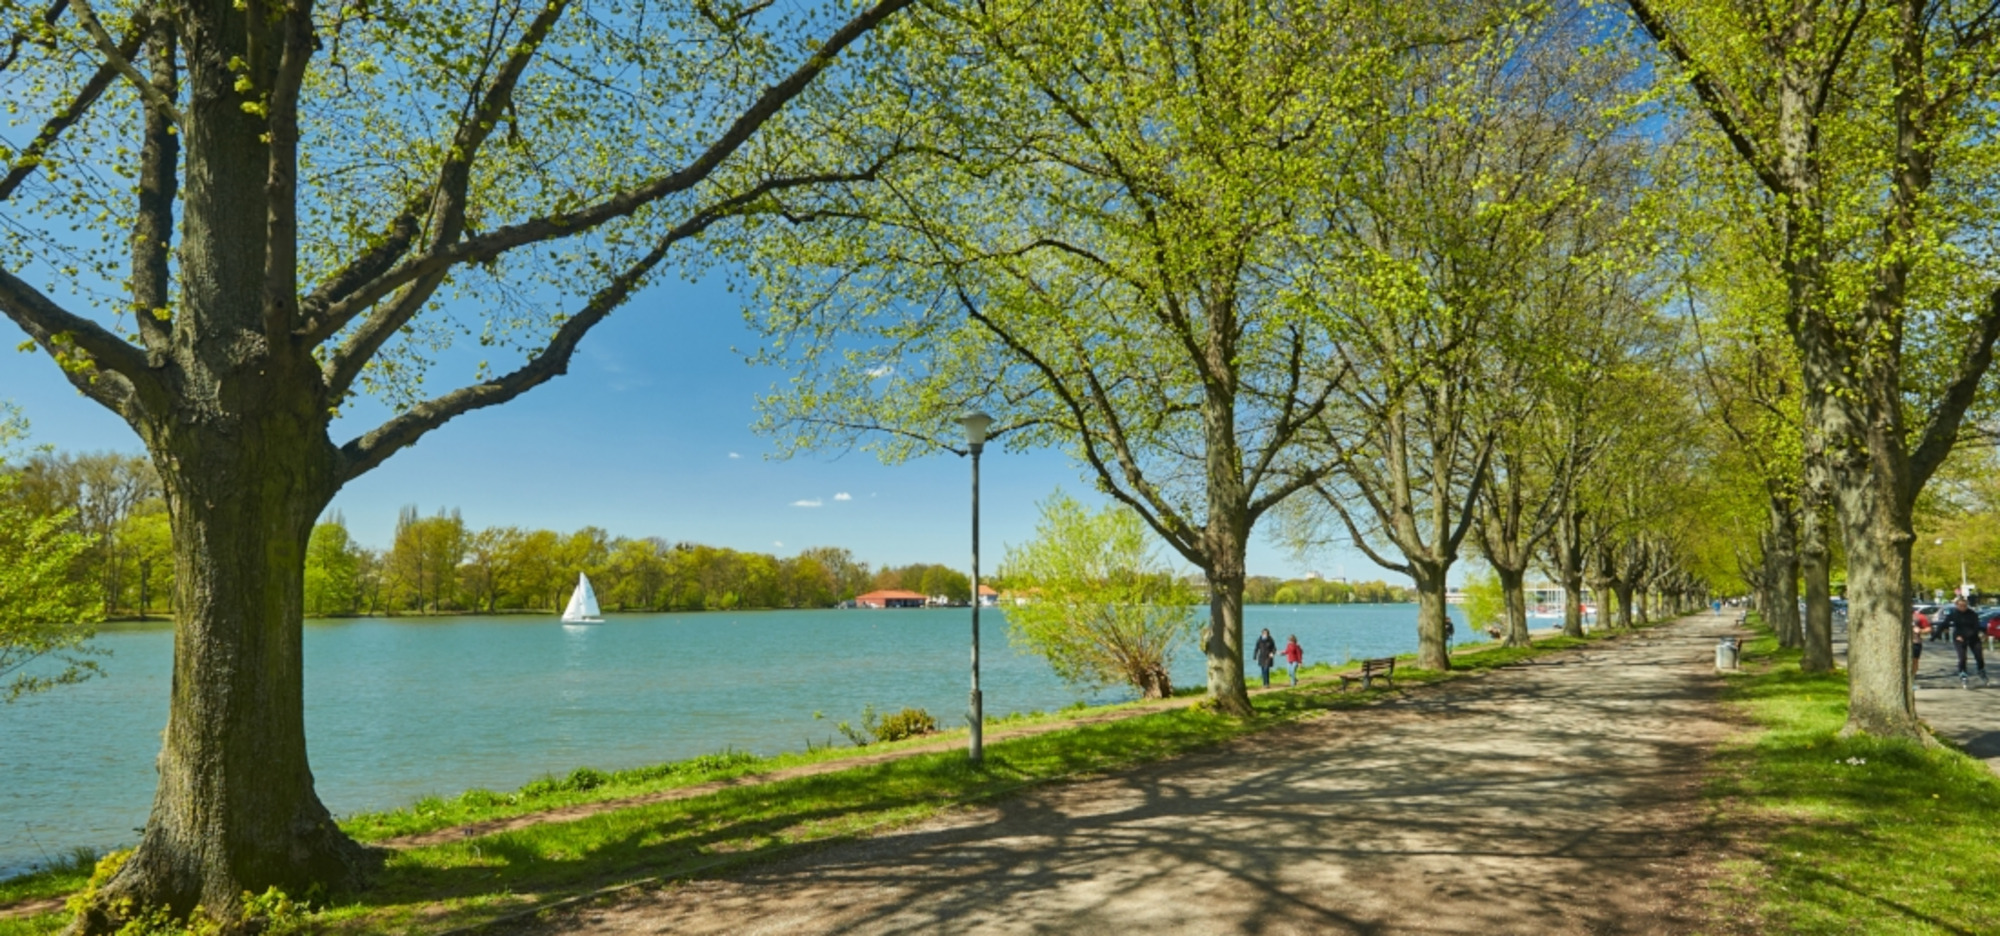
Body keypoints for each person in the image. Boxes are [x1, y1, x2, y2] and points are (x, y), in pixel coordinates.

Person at [1942, 597, 1989, 688]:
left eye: (1964, 605)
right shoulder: (1954, 614)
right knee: (1962, 657)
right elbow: (1944, 624)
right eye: (1960, 605)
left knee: (1979, 656)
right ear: (1956, 605)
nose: (1963, 607)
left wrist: (1972, 635)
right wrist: (1937, 634)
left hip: (1973, 637)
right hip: (1959, 638)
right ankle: (1963, 673)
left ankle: (1981, 670)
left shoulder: (1972, 614)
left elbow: (1976, 627)